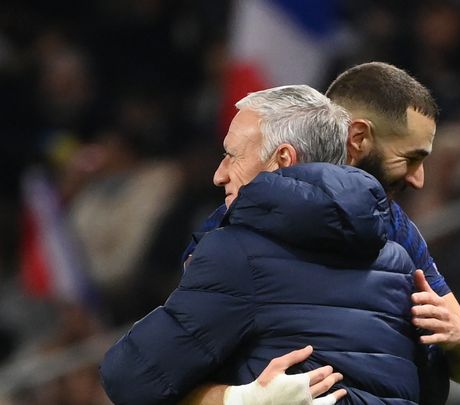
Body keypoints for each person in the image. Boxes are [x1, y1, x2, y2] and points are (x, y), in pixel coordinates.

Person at [184, 62, 460, 404]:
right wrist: (244, 399)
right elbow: (169, 379)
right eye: (410, 158)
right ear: (357, 138)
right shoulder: (233, 226)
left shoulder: (396, 227)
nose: (418, 179)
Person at [100, 84, 424, 404]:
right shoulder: (401, 260)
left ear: (282, 159)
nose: (219, 174)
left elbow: (130, 378)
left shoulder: (237, 253)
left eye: (231, 155)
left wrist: (242, 400)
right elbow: (429, 389)